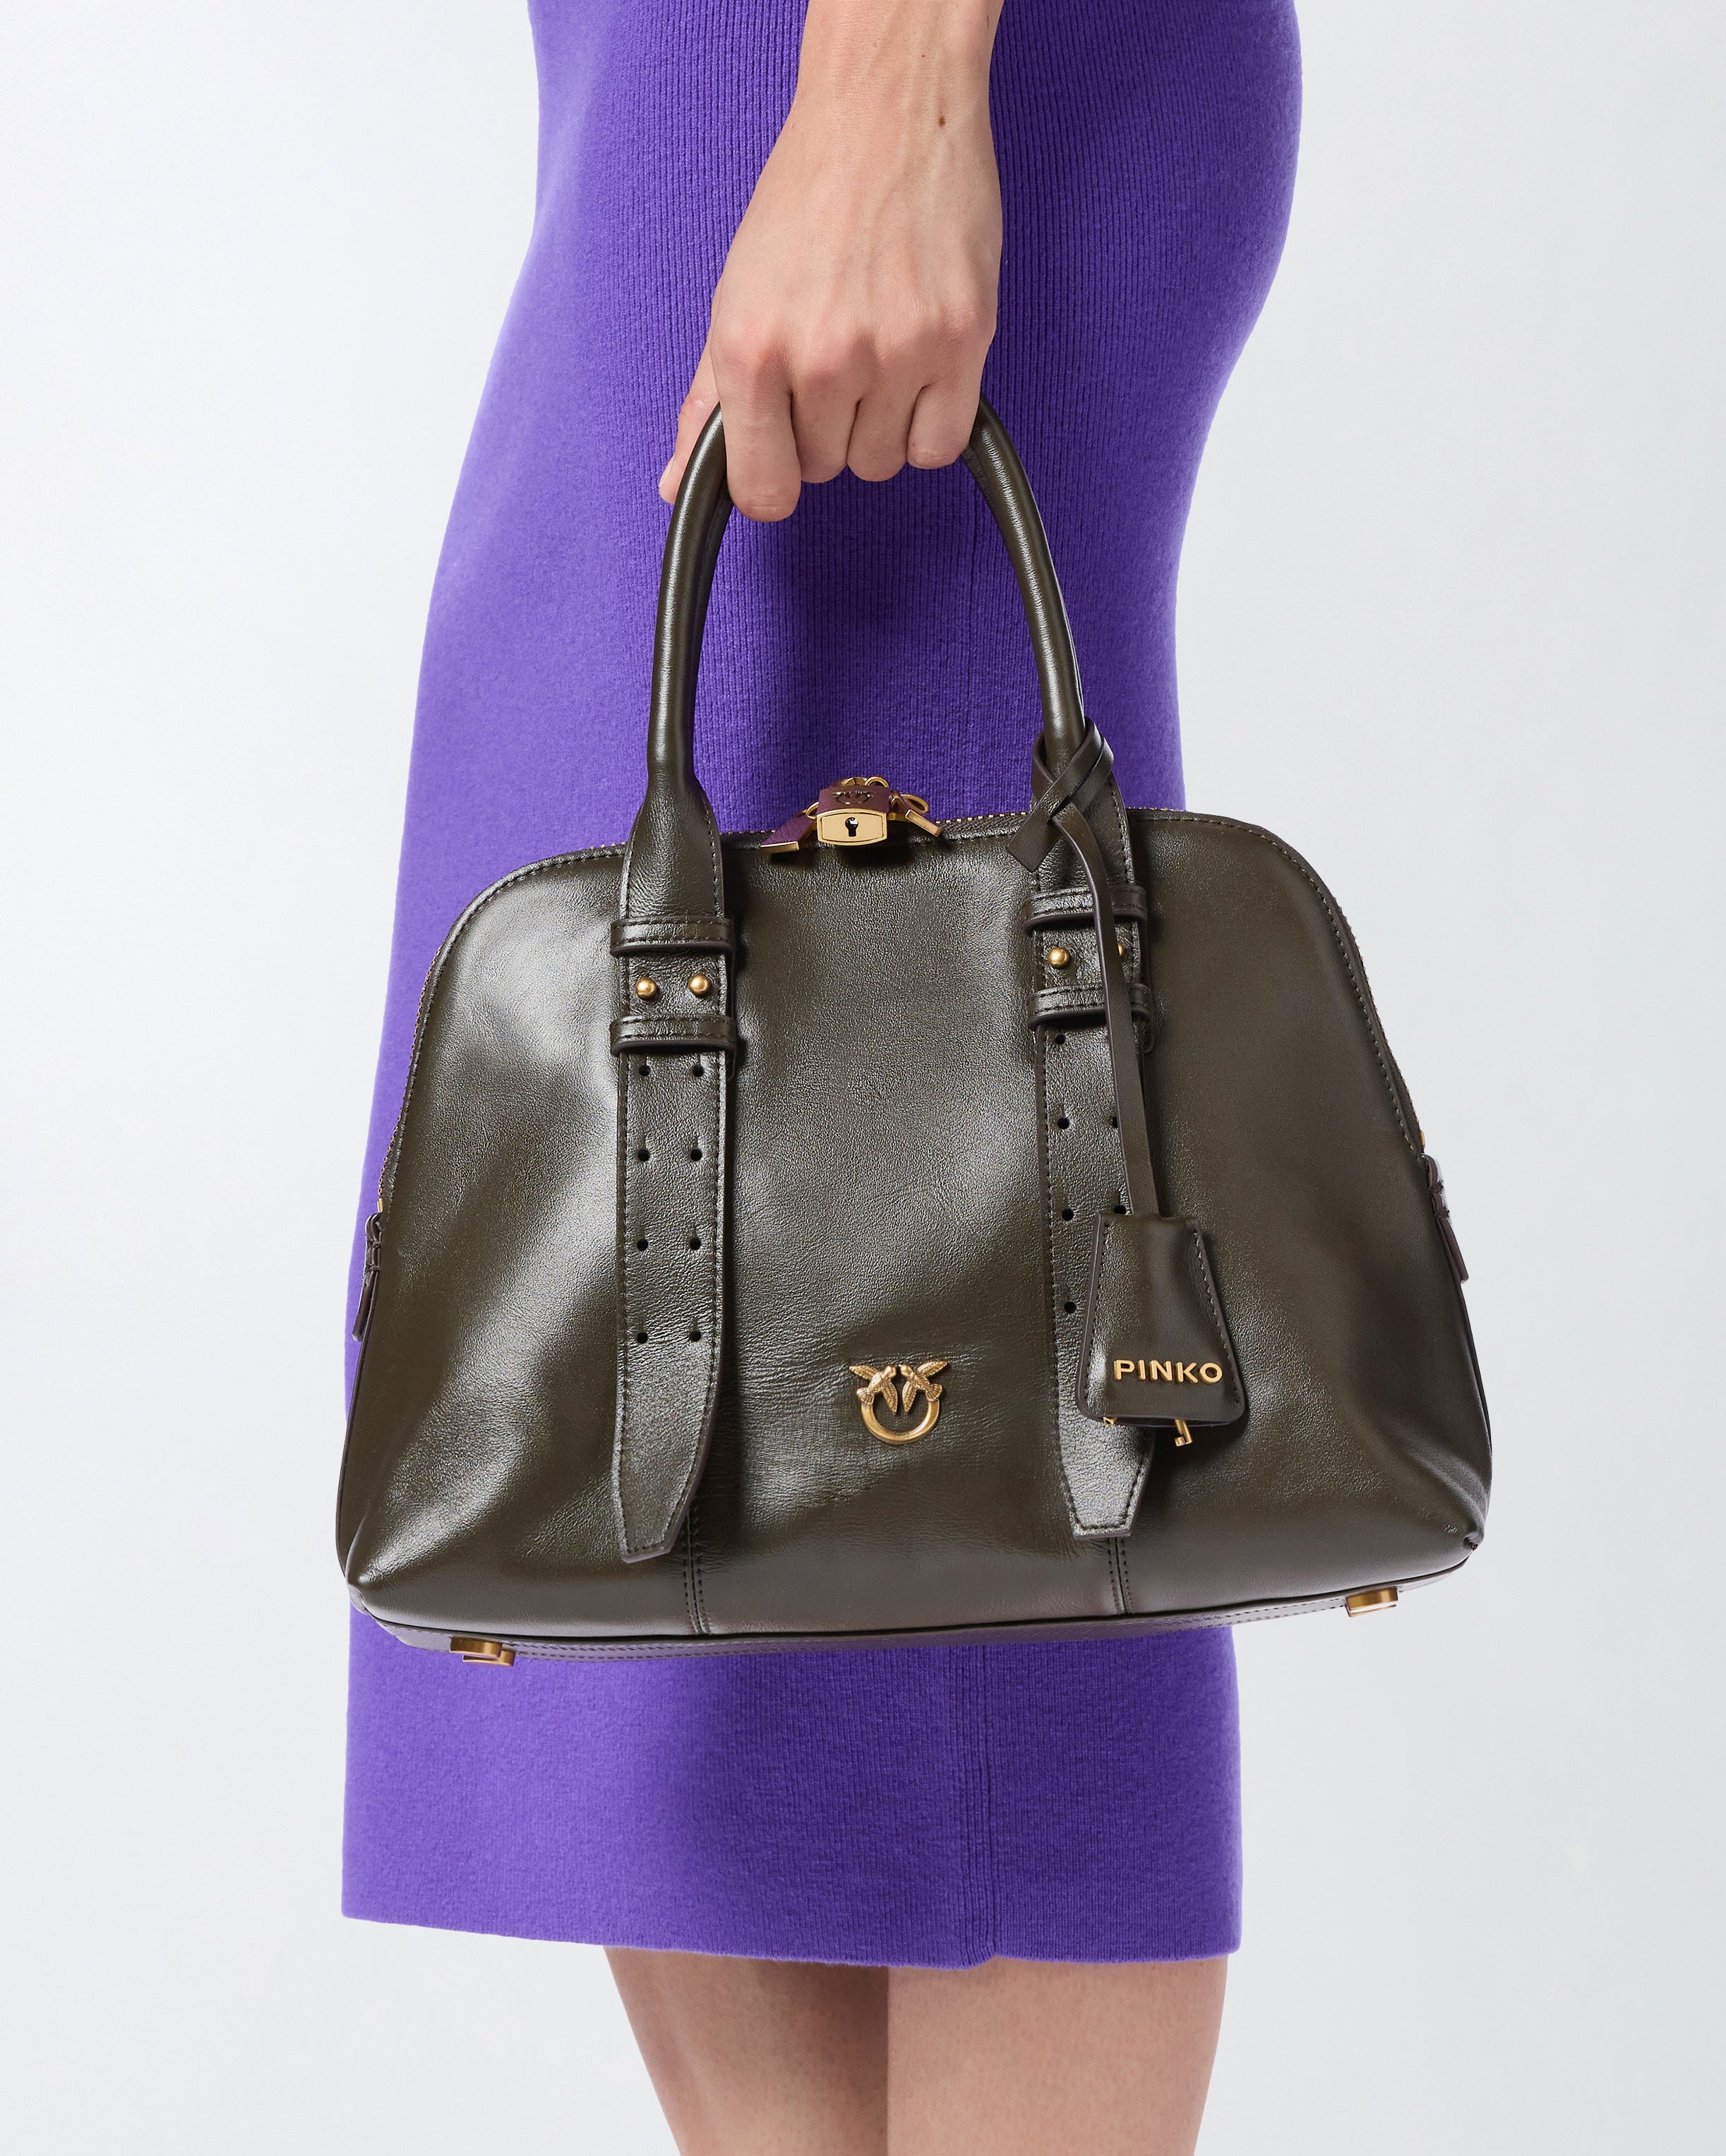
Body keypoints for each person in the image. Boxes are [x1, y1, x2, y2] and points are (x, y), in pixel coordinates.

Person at [343, 2, 1300, 2148]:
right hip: (664, 87)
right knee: (617, 1230)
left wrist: (889, 92)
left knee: (958, 1261)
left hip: (844, 77)